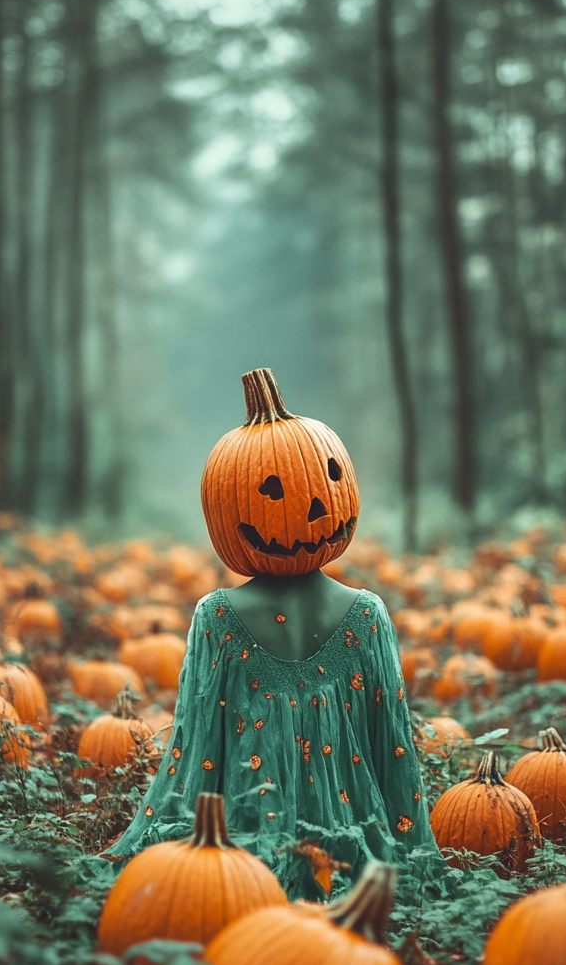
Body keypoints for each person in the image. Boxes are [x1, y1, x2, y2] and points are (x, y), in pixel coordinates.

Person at [115, 367, 441, 898]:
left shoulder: (216, 616)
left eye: (329, 477)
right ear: (232, 504)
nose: (311, 507)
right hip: (352, 857)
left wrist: (190, 853)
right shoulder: (367, 614)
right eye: (269, 491)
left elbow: (199, 754)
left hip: (243, 861)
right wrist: (405, 860)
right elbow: (393, 758)